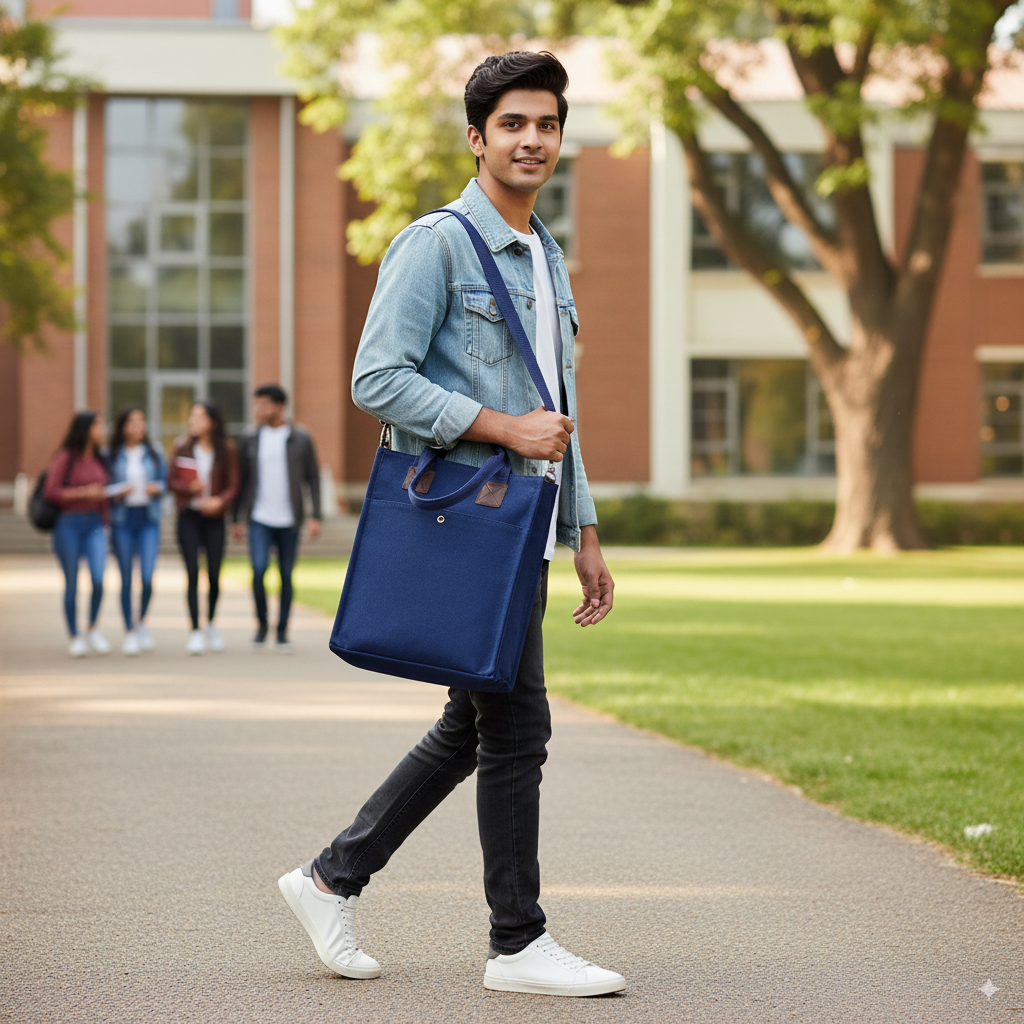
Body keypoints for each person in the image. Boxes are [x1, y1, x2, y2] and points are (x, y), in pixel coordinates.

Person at [277, 52, 622, 997]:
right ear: (477, 138)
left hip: (523, 528)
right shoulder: (434, 244)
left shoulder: (546, 253)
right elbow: (375, 378)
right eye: (512, 124)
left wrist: (583, 530)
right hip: (467, 520)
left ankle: (329, 878)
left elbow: (558, 410)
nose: (532, 140)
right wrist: (500, 425)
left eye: (546, 124)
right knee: (516, 728)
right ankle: (517, 941)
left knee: (475, 726)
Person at [232, 384, 322, 652]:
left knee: (286, 575)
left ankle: (282, 632)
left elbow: (313, 478)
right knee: (258, 570)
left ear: (280, 406)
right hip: (258, 517)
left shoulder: (301, 438)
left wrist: (315, 515)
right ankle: (261, 626)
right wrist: (236, 519)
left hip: (289, 520)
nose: (258, 410)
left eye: (264, 404)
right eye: (256, 404)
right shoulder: (249, 438)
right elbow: (241, 480)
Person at [167, 401, 239, 656]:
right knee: (192, 573)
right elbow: (171, 480)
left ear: (212, 422)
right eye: (192, 417)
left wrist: (219, 501)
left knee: (214, 574)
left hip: (214, 518)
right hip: (188, 516)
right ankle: (195, 630)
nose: (193, 422)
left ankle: (210, 624)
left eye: (199, 417)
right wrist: (189, 489)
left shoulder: (227, 449)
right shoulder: (181, 446)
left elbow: (233, 484)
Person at [44, 411, 112, 658]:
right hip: (69, 524)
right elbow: (52, 491)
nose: (103, 430)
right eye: (99, 425)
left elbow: (103, 491)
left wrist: (107, 520)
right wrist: (84, 493)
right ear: (86, 429)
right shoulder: (65, 457)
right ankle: (74, 634)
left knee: (98, 579)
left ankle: (93, 627)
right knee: (71, 583)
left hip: (95, 523)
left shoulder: (100, 458)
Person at [107, 407, 166, 656]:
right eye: (132, 422)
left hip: (148, 518)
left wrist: (157, 488)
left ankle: (141, 621)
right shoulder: (111, 455)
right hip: (123, 519)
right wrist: (117, 491)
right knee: (126, 579)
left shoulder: (154, 452)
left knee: (148, 577)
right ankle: (129, 630)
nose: (138, 426)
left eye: (141, 421)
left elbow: (166, 481)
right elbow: (105, 486)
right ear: (123, 427)